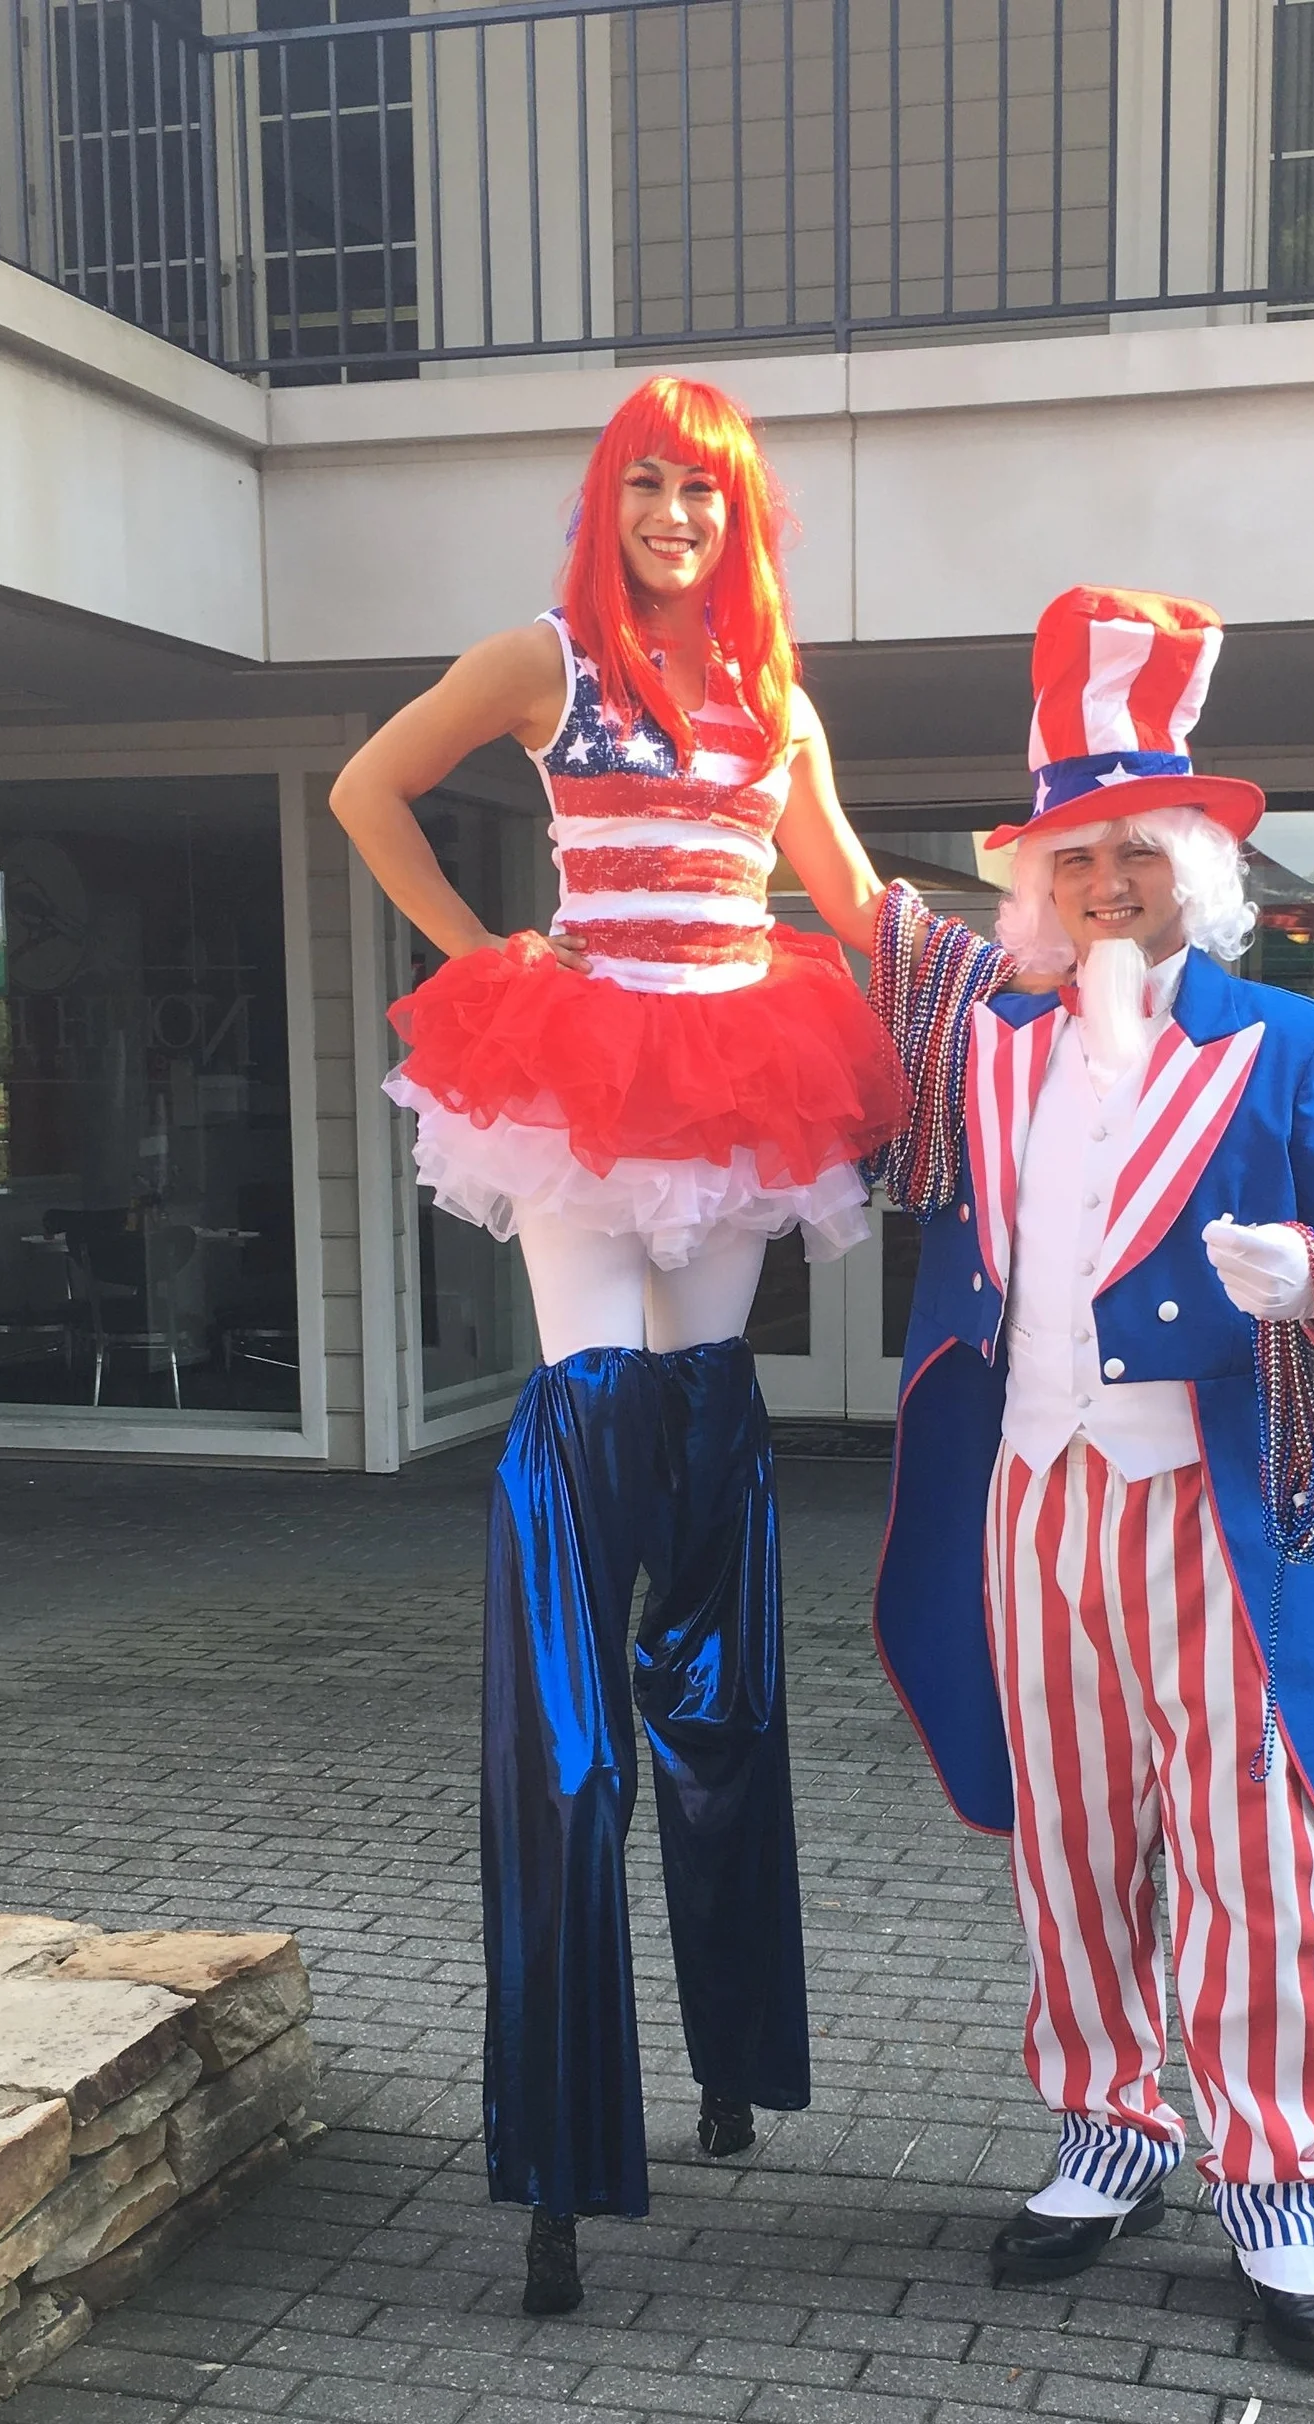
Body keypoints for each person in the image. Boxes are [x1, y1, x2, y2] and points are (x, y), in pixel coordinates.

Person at [330, 375, 908, 2317]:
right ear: (611, 500)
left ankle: (730, 2044)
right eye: (645, 483)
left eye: (701, 488)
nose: (672, 512)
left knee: (714, 1572)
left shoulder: (777, 692)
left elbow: (840, 897)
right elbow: (363, 787)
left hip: (742, 1094)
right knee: (583, 1558)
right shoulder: (545, 654)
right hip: (590, 1091)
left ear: (740, 511)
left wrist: (1020, 968)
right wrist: (481, 958)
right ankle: (566, 2138)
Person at [867, 587, 1314, 2373]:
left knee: (1246, 1846)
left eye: (1133, 851)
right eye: (1074, 854)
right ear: (1037, 879)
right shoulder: (985, 1039)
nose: (1104, 880)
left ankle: (1279, 2179)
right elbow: (846, 911)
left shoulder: (1280, 1045)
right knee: (1069, 1835)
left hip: (1202, 1497)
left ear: (1189, 867)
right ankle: (1107, 2125)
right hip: (1029, 1499)